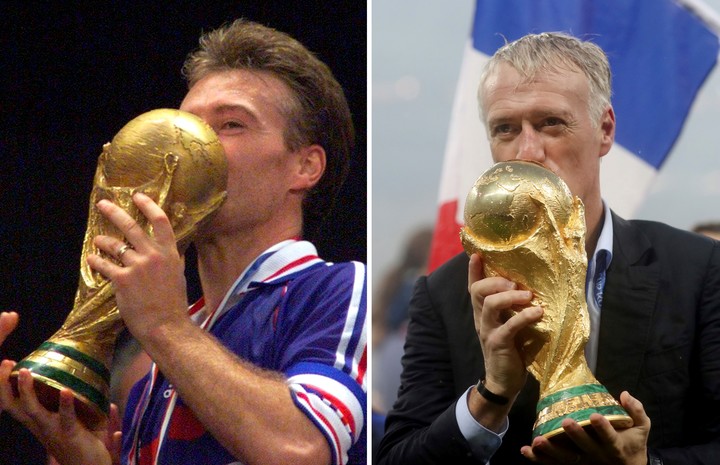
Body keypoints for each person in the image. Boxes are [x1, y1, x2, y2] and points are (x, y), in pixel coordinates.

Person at [0, 18, 366, 465]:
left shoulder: (341, 291)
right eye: (186, 126)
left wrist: (165, 327)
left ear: (305, 167)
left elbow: (301, 450)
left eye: (230, 124)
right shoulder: (158, 368)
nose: (197, 145)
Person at [377, 32, 720, 465]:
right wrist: (491, 396)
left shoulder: (697, 270)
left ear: (605, 130)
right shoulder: (446, 293)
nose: (528, 151)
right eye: (505, 129)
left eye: (550, 124)